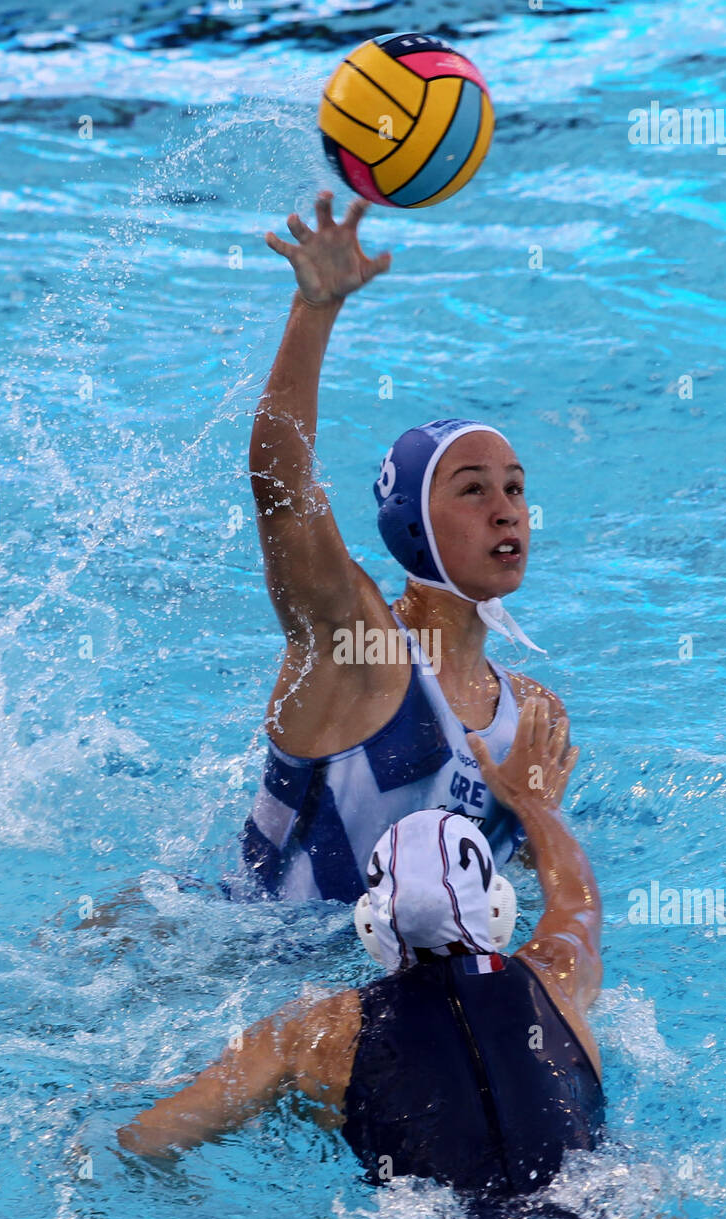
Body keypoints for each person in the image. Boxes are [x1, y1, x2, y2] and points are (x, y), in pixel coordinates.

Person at [119, 701, 613, 1219]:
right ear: (497, 906)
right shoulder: (555, 977)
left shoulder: (313, 1033)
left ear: (370, 926)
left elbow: (147, 1140)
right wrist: (532, 803)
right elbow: (577, 898)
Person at [238, 189, 567, 903]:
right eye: (474, 490)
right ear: (413, 522)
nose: (507, 512)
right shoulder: (357, 649)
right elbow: (279, 487)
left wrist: (535, 816)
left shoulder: (534, 715)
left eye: (515, 489)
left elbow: (529, 902)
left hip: (395, 994)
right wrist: (315, 310)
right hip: (234, 965)